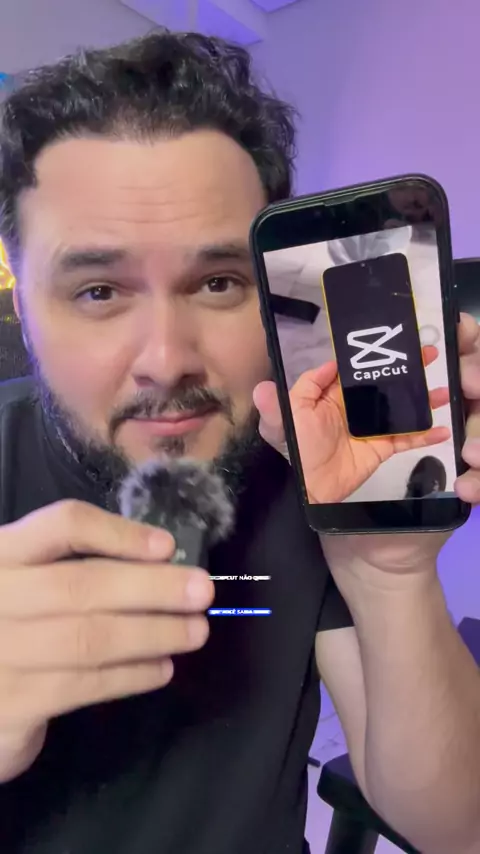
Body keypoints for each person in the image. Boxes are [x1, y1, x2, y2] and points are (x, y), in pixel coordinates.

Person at [0, 30, 479, 854]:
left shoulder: (307, 470)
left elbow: (458, 831)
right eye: (99, 290)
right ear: (21, 306)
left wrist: (389, 570)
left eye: (218, 282)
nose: (166, 360)